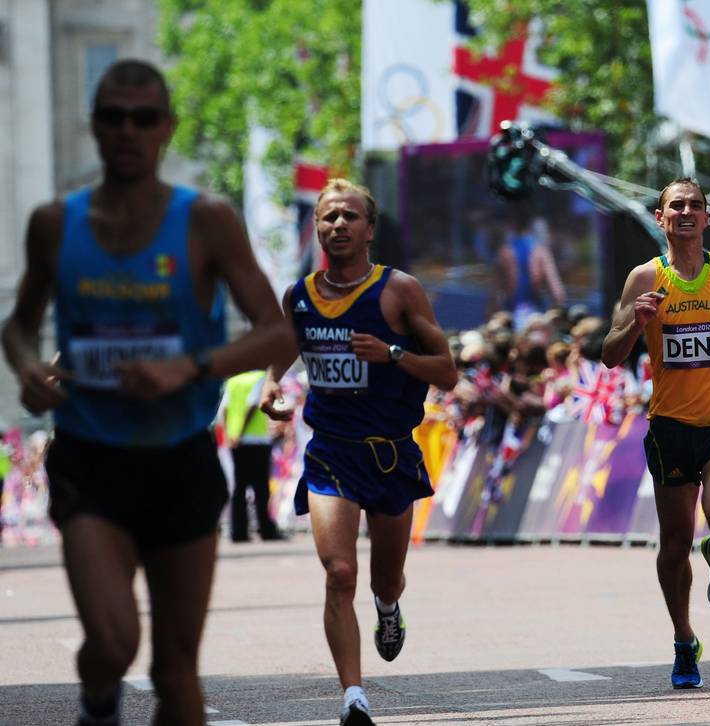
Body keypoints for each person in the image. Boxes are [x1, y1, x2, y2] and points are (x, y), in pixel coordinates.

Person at [0, 59, 293, 726]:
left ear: (167, 129)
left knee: (174, 673)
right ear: (95, 126)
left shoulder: (208, 221)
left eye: (143, 118)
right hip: (91, 459)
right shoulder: (54, 224)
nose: (128, 130)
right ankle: (98, 703)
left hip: (180, 458)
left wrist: (191, 367)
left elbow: (276, 334)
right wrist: (28, 370)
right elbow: (16, 329)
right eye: (113, 117)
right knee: (112, 643)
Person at [259, 178, 457, 725]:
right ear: (317, 228)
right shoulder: (299, 296)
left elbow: (448, 372)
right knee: (339, 572)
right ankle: (353, 696)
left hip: (391, 455)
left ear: (369, 229)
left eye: (349, 216)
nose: (338, 225)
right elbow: (284, 349)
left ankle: (388, 608)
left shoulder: (399, 291)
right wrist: (272, 387)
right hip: (331, 455)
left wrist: (393, 353)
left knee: (383, 579)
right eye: (328, 217)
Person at [601, 178, 710, 690]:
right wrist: (636, 320)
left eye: (695, 205)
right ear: (660, 218)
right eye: (676, 206)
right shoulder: (644, 278)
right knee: (675, 543)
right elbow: (610, 353)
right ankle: (683, 640)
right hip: (670, 427)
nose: (686, 213)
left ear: (706, 217)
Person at [218, 370, 285, 542]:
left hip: (235, 441)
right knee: (261, 487)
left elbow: (224, 408)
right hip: (256, 440)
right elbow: (254, 404)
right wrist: (241, 432)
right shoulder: (260, 378)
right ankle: (266, 530)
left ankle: (238, 532)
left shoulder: (233, 380)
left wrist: (229, 433)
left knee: (239, 487)